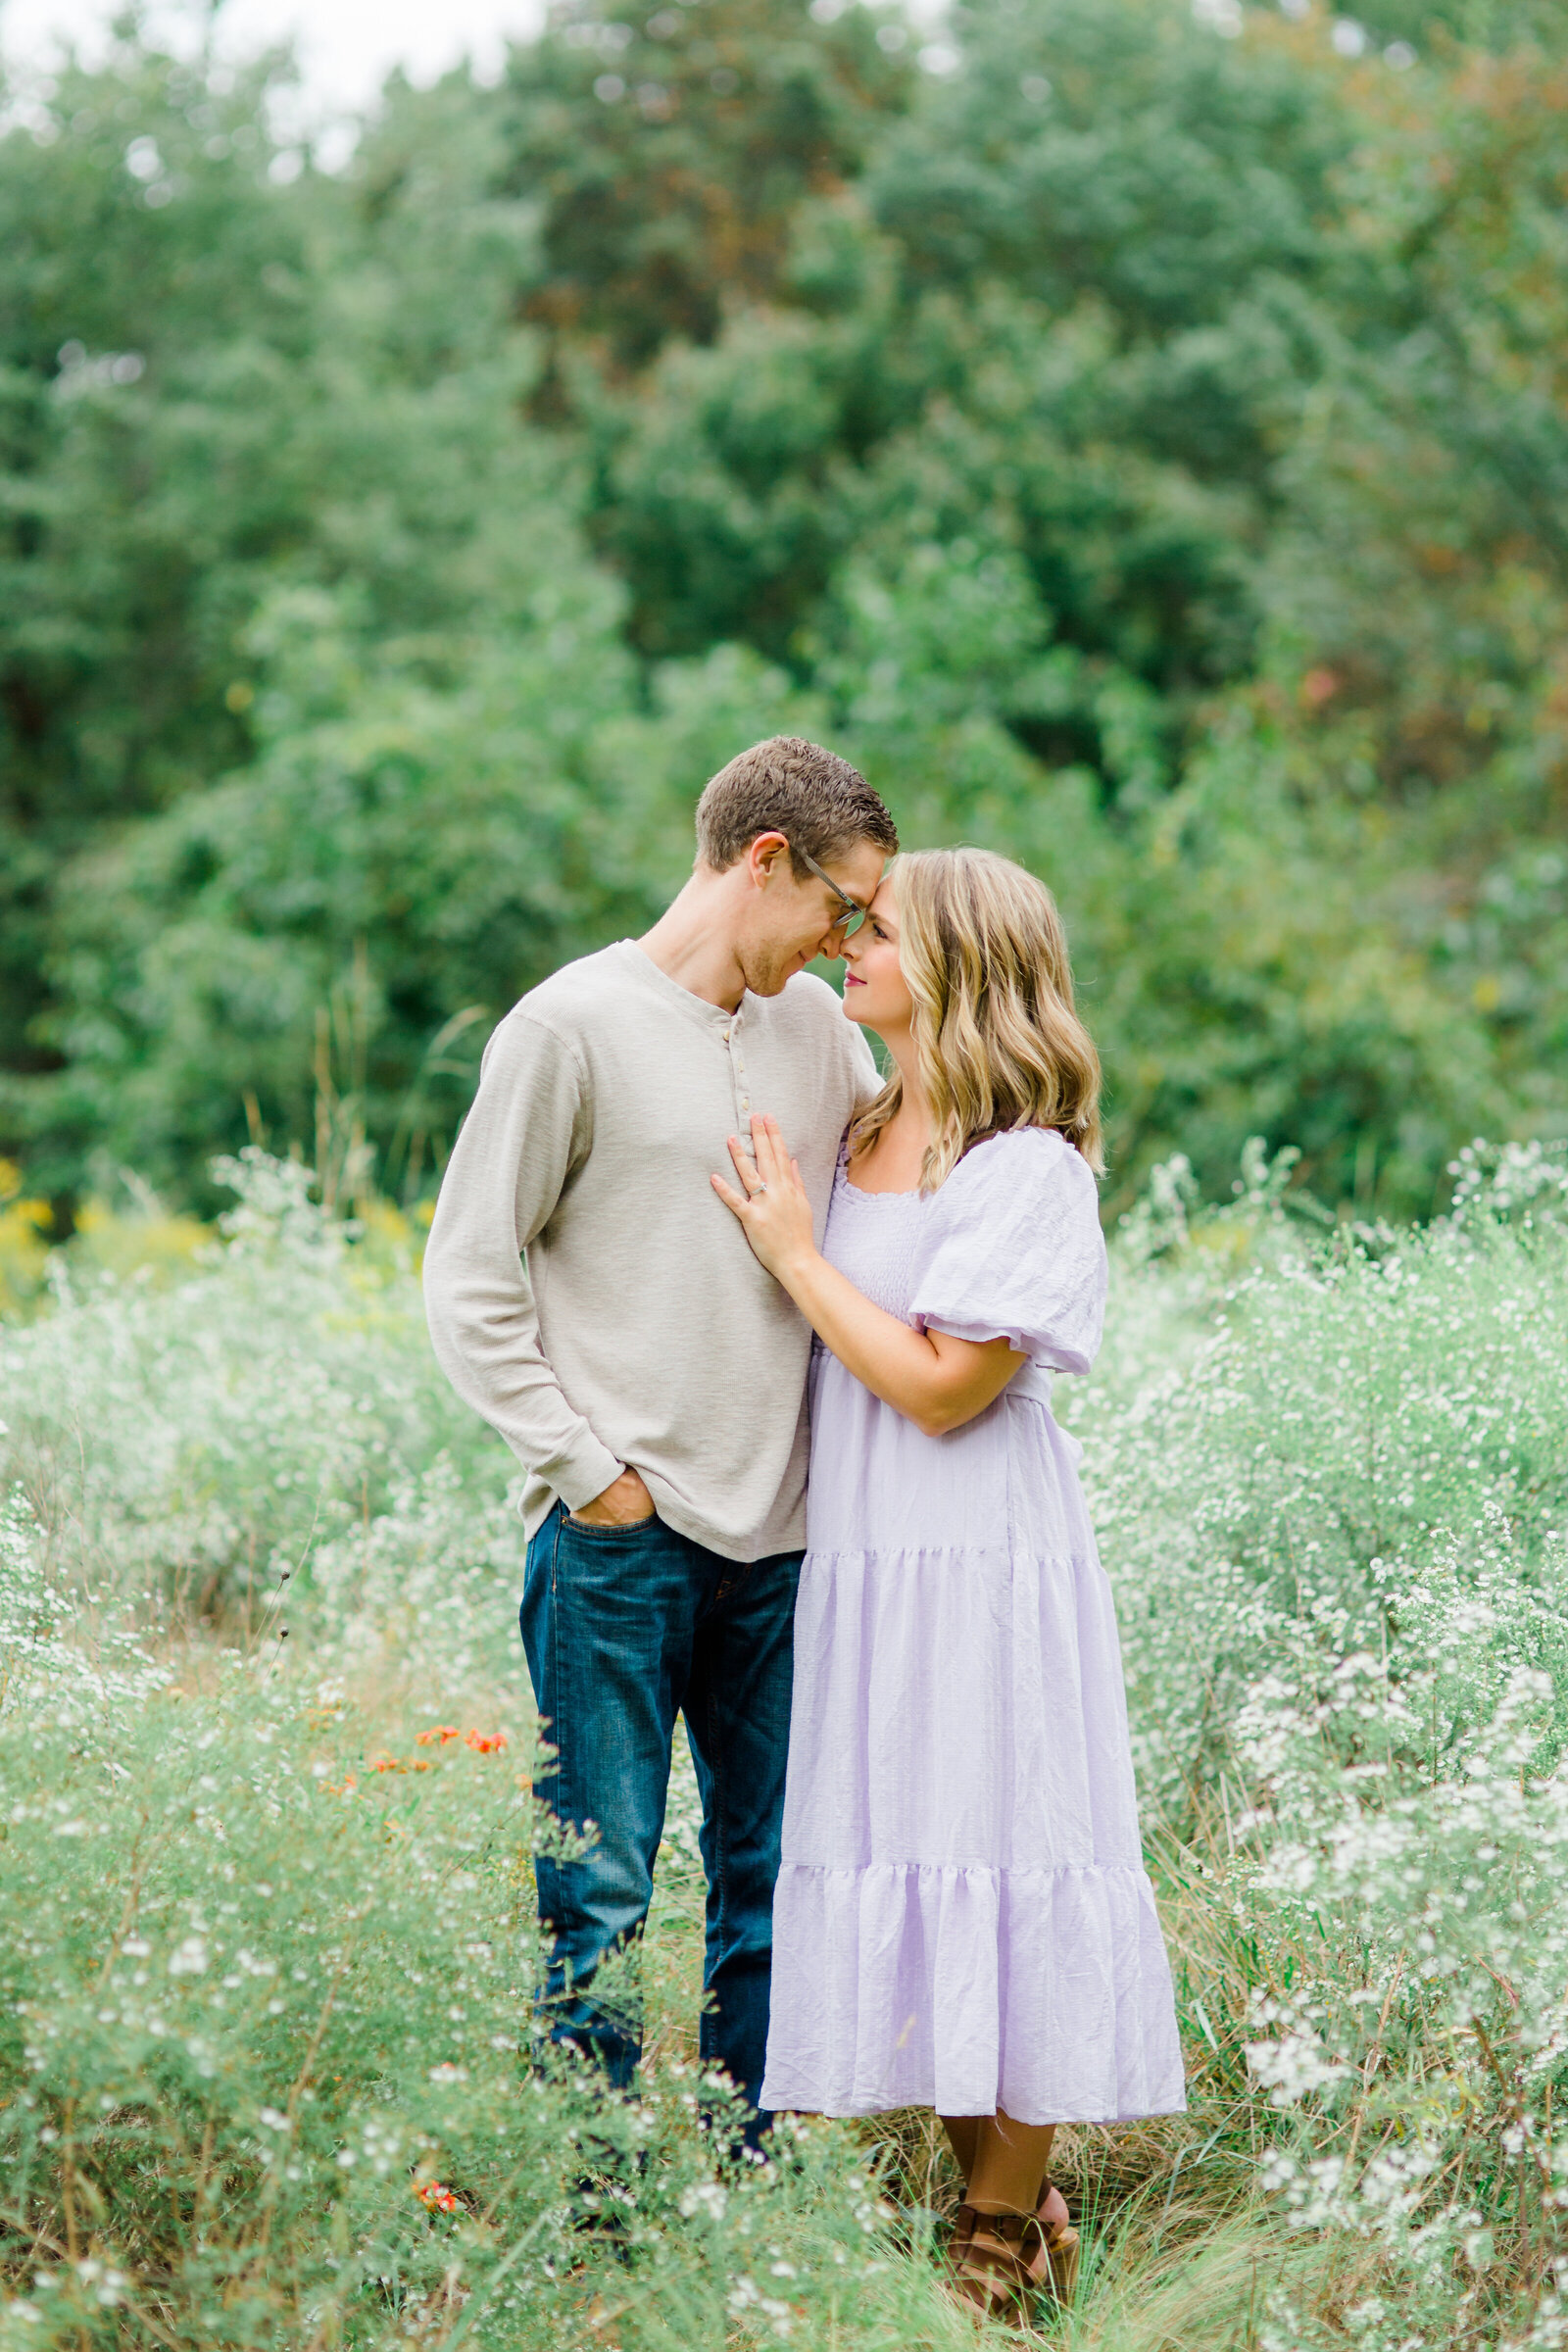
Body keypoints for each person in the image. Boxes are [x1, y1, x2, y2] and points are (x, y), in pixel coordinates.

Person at [712, 847, 1187, 2318]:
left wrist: (795, 1255)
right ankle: (1016, 2191)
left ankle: (988, 2240)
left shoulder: (1023, 1162)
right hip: (864, 1564)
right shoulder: (855, 1124)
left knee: (1004, 1849)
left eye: (884, 930)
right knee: (921, 1861)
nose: (853, 944)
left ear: (963, 965)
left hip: (978, 1558)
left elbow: (940, 1388)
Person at [421, 737, 897, 2130]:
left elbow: (901, 1191)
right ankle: (599, 2229)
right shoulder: (566, 1029)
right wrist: (595, 1478)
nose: (847, 941)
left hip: (790, 1545)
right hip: (617, 1548)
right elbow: (467, 1280)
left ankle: (754, 2198)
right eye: (840, 907)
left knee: (778, 1881)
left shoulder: (821, 1035)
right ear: (766, 862)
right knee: (602, 1892)